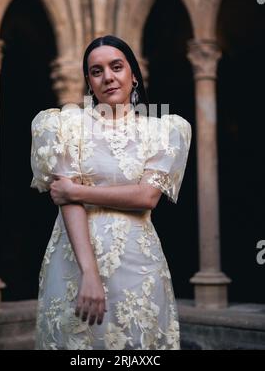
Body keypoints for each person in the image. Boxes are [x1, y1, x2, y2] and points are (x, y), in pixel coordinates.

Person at [30, 35, 192, 350]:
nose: (108, 77)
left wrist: (75, 190)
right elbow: (67, 205)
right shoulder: (64, 125)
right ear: (89, 82)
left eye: (116, 66)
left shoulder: (162, 132)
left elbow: (147, 198)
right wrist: (88, 273)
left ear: (133, 74)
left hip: (137, 265)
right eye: (96, 71)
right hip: (73, 261)